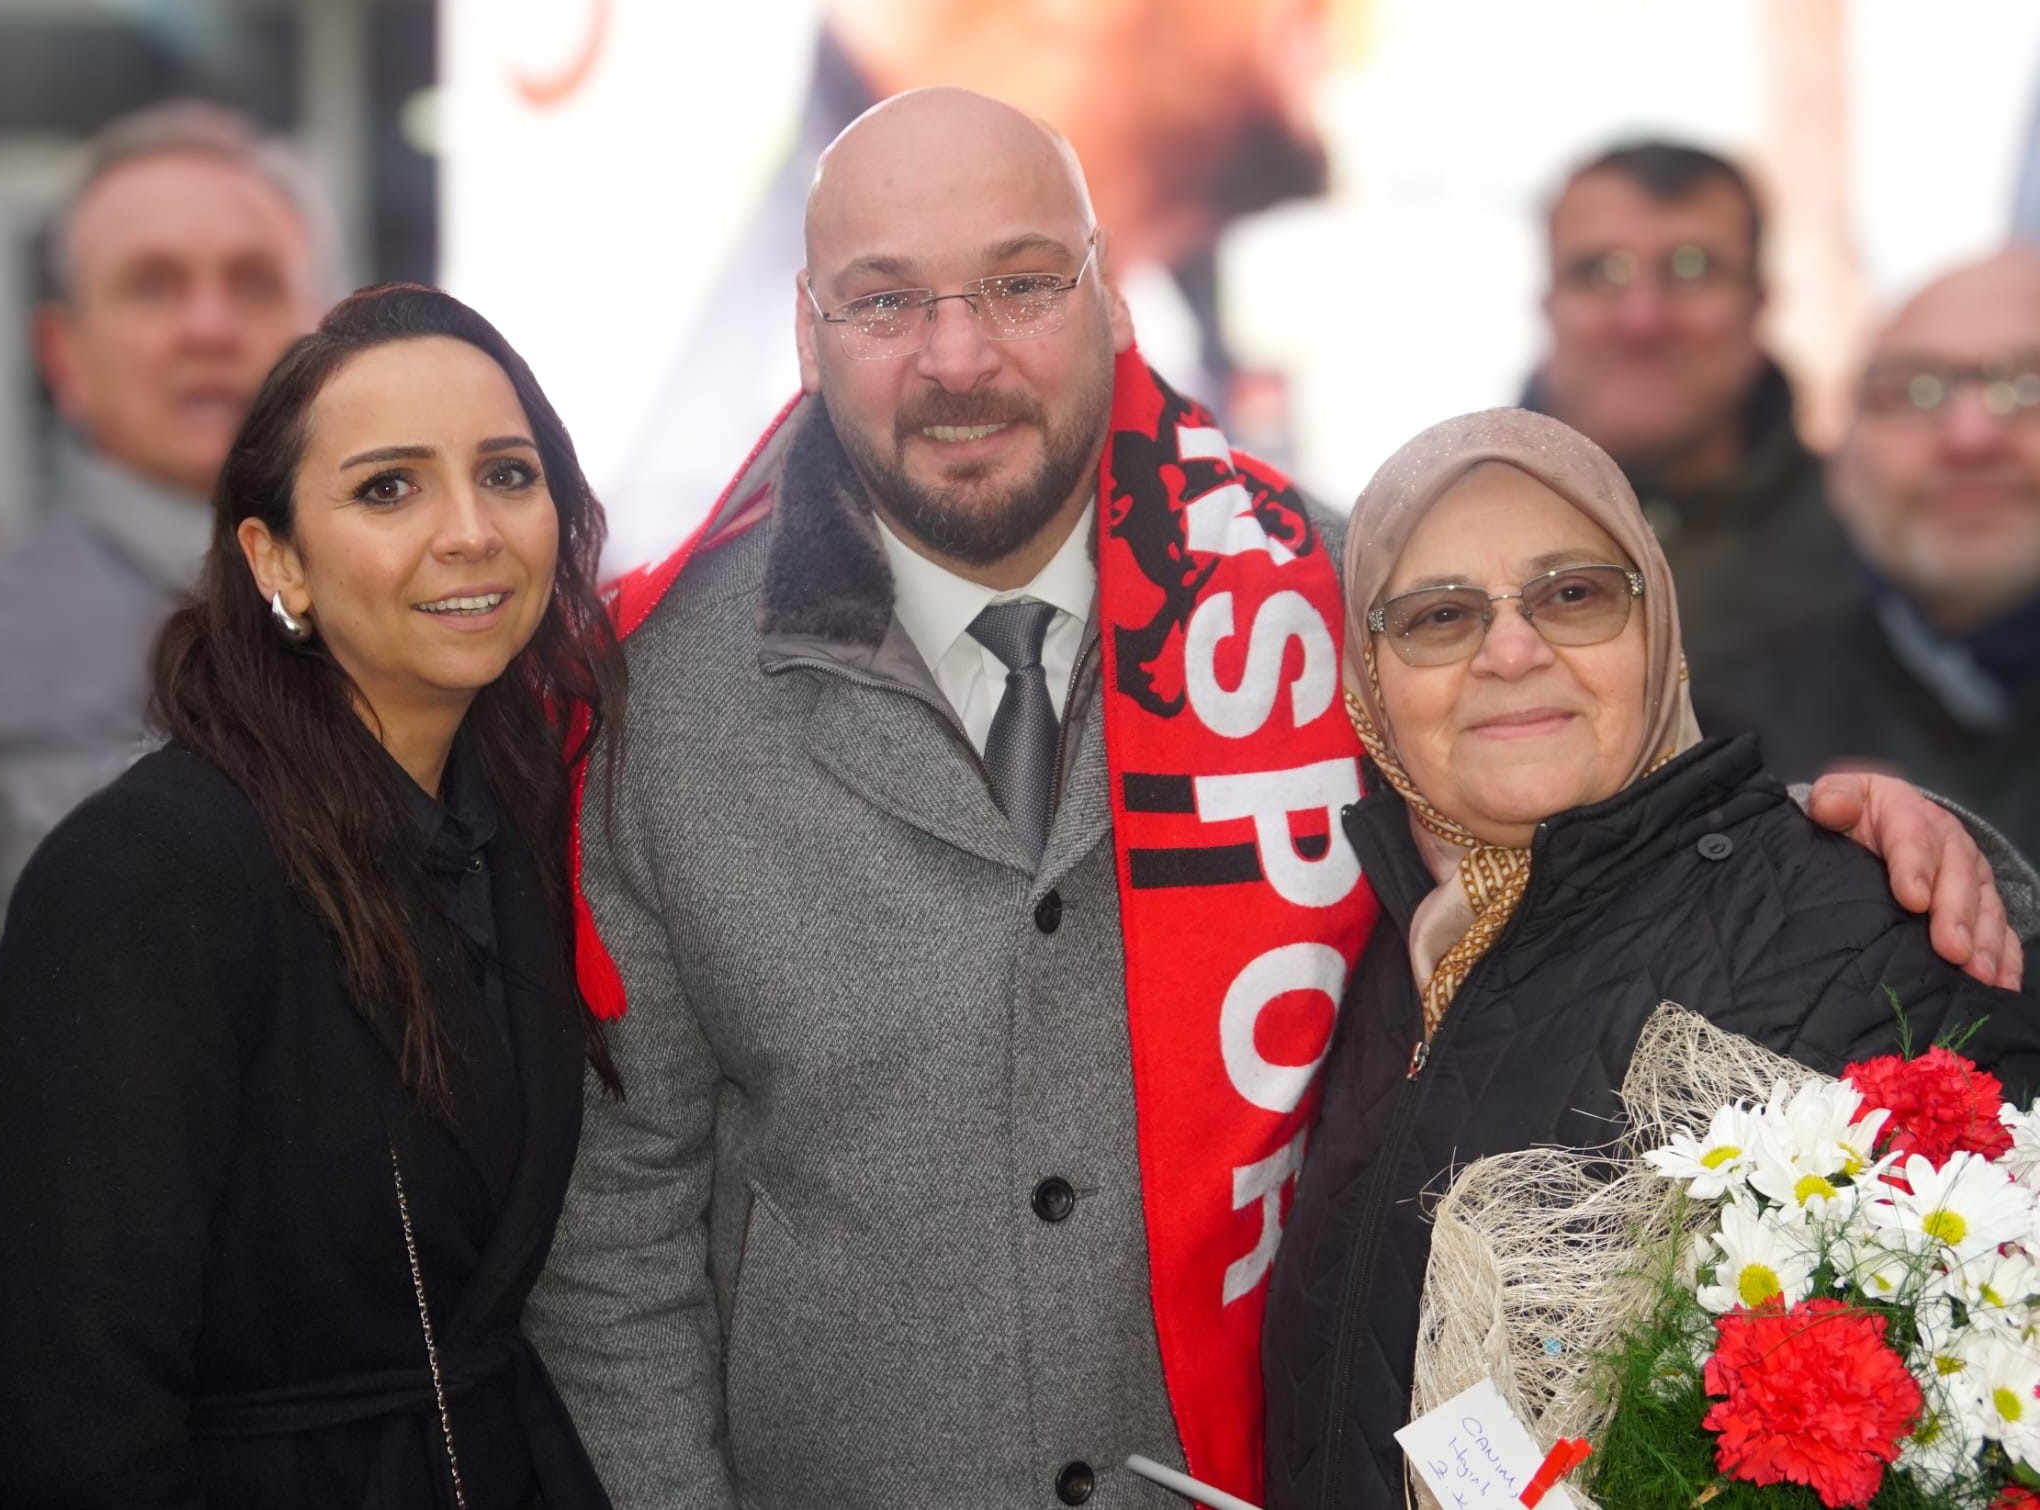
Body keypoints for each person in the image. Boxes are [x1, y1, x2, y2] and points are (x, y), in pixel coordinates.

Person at [529, 89, 2021, 1510]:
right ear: (804, 329)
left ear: (1115, 302)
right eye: (883, 299)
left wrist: (1851, 834)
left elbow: (1589, 813)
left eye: (1024, 283)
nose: (959, 355)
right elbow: (619, 1242)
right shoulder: (658, 697)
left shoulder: (1335, 602)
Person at [1258, 408, 2040, 1510]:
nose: (1511, 648)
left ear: (1656, 624)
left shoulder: (1862, 931)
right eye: (1438, 616)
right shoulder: (1380, 955)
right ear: (1370, 684)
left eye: (1570, 593)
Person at [0, 284, 622, 1507]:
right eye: (389, 487)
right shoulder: (144, 875)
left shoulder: (528, 824)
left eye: (506, 473)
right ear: (275, 559)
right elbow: (72, 1416)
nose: (469, 531)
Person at [605, 0, 1329, 573]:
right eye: (888, 304)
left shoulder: (1190, 312)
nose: (1352, 14)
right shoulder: (727, 504)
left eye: (1022, 291)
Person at [0, 100, 330, 954]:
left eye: (253, 282)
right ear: (63, 355)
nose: (208, 328)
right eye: (153, 284)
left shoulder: (429, 609)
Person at [1701, 247, 2040, 865]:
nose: (1971, 438)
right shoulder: (1718, 745)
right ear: (1841, 466)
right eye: (1914, 391)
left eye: (2029, 384)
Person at [1522, 139, 1854, 681]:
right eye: (1598, 272)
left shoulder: (1875, 546)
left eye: (1691, 269)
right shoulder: (1432, 544)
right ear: (1547, 303)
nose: (1642, 319)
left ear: (1760, 301)